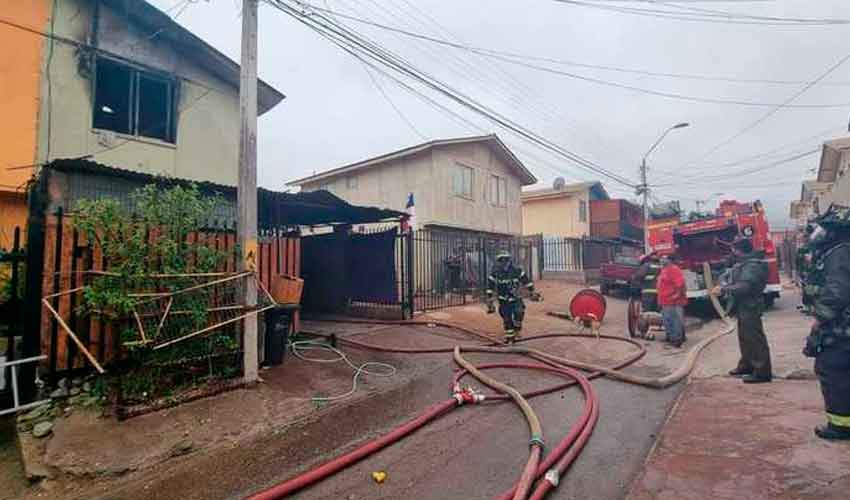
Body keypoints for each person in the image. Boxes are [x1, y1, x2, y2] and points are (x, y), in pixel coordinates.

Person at [801, 206, 850, 440]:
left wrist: (819, 318)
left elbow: (837, 293)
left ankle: (840, 426)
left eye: (823, 229)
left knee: (833, 371)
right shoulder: (840, 251)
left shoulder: (840, 253)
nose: (818, 233)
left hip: (841, 329)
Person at [711, 237, 772, 384]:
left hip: (750, 306)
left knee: (754, 339)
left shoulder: (752, 266)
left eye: (733, 250)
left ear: (739, 250)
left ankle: (762, 372)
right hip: (744, 307)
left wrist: (724, 289)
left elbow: (745, 287)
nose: (732, 253)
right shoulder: (745, 263)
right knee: (745, 338)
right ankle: (747, 365)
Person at [486, 251, 541, 343]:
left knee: (519, 313)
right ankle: (510, 338)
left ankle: (517, 328)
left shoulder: (517, 271)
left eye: (506, 260)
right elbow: (490, 287)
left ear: (509, 260)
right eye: (501, 260)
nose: (504, 262)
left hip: (516, 299)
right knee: (507, 319)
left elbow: (527, 282)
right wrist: (490, 299)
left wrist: (532, 291)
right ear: (499, 261)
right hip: (503, 301)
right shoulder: (495, 273)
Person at [657, 255, 688, 347]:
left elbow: (680, 283)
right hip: (665, 300)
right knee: (668, 319)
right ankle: (672, 337)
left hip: (672, 301)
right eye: (661, 258)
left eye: (664, 258)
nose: (661, 260)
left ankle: (676, 340)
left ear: (670, 260)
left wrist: (677, 295)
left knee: (674, 320)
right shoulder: (665, 269)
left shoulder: (673, 269)